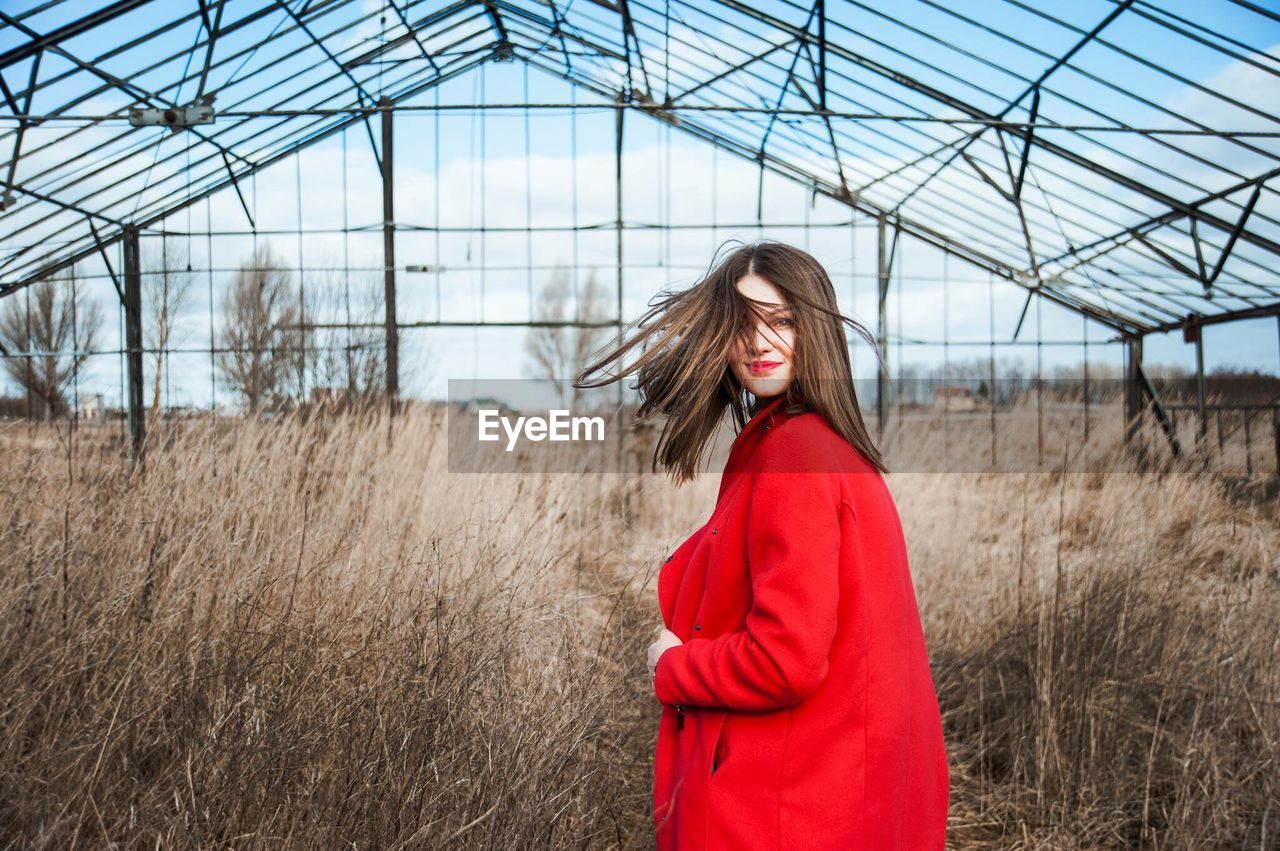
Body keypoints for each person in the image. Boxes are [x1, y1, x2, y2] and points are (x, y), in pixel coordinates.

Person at [575, 240, 949, 849]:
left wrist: (674, 667)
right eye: (741, 325)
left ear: (818, 330)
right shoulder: (832, 448)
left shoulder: (792, 454)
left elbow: (785, 659)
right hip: (851, 792)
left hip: (788, 807)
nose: (759, 342)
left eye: (782, 321)